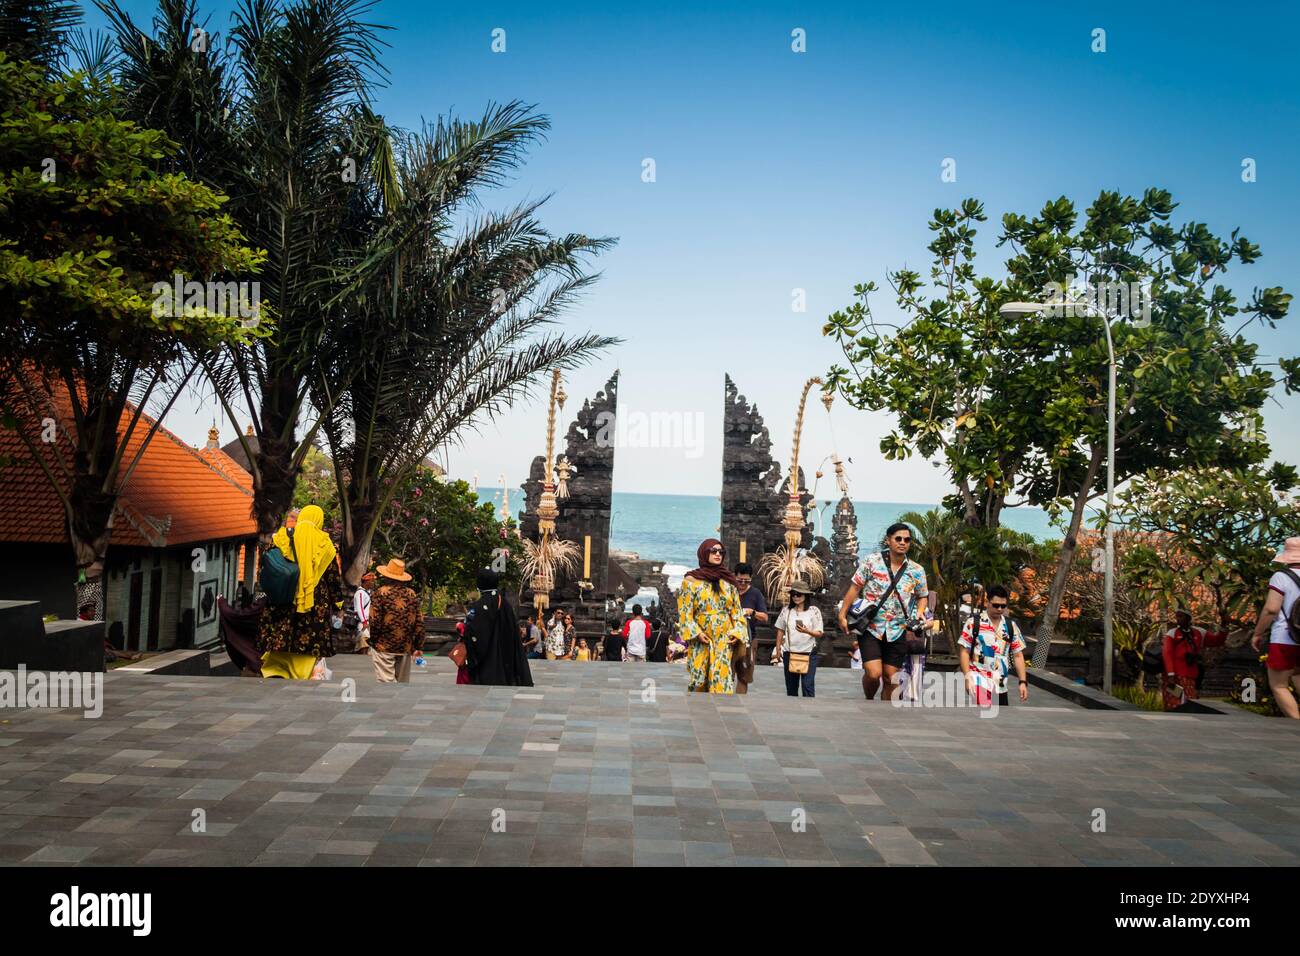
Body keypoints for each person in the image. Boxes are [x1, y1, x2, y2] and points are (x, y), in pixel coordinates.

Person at [838, 522, 928, 701]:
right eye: (898, 539)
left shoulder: (917, 570)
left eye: (907, 540)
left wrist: (920, 612)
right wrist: (842, 614)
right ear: (889, 540)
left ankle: (883, 710)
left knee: (890, 678)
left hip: (898, 629)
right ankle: (869, 698)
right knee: (873, 673)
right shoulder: (872, 562)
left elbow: (922, 595)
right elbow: (855, 588)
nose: (903, 542)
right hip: (871, 626)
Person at [258, 504, 341, 679]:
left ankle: (276, 669)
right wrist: (338, 603)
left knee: (282, 632)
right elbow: (333, 579)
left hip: (284, 594)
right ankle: (302, 672)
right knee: (307, 638)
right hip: (314, 601)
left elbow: (267, 564)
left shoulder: (282, 537)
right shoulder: (325, 544)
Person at [677, 538, 750, 694]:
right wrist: (696, 633)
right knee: (699, 678)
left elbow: (737, 611)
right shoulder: (691, 581)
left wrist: (737, 632)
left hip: (724, 637)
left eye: (721, 552)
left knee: (721, 678)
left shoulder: (728, 582)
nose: (718, 554)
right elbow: (685, 612)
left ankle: (722, 712)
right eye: (713, 551)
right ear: (704, 553)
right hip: (701, 637)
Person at [1251, 536, 1300, 719]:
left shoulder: (1281, 577)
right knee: (1297, 674)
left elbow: (1271, 609)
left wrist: (1258, 633)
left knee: (1279, 685)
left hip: (1285, 637)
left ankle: (1296, 723)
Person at [958, 584, 1028, 707]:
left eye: (1003, 606)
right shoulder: (974, 623)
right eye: (996, 605)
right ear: (988, 602)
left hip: (1000, 684)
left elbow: (1018, 655)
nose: (1000, 609)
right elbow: (964, 652)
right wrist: (968, 677)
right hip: (979, 679)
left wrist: (1022, 682)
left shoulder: (1011, 626)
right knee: (985, 717)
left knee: (1000, 720)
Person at [463, 568, 533, 686]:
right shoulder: (505, 603)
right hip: (506, 659)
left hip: (486, 664)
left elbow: (472, 629)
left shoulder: (479, 605)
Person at [1158, 608, 1227, 711]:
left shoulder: (1199, 632)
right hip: (1173, 676)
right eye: (1177, 616)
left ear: (1188, 618)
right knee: (1174, 702)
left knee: (1189, 700)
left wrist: (1224, 626)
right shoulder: (1172, 633)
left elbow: (1217, 641)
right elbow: (1167, 654)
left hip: (1190, 674)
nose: (1178, 619)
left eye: (1181, 616)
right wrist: (1170, 675)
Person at [368, 558, 423, 683]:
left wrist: (373, 641)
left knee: (386, 683)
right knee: (402, 684)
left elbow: (374, 620)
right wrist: (418, 645)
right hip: (405, 646)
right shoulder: (411, 594)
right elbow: (419, 622)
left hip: (384, 645)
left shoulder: (380, 593)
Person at [772, 577, 823, 697]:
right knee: (791, 687)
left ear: (806, 595)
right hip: (790, 653)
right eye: (793, 594)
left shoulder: (814, 611)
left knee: (808, 686)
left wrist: (807, 631)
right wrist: (778, 649)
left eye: (799, 594)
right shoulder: (786, 611)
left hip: (809, 653)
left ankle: (810, 710)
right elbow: (780, 630)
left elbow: (819, 633)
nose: (795, 597)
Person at [734, 561, 769, 678]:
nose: (743, 583)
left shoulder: (755, 593)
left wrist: (752, 612)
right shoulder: (729, 591)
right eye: (739, 580)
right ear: (734, 577)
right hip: (729, 638)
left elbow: (765, 617)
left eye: (747, 581)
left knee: (744, 676)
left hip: (749, 639)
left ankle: (741, 697)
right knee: (727, 674)